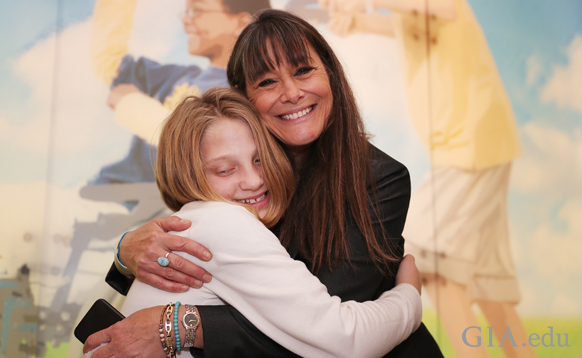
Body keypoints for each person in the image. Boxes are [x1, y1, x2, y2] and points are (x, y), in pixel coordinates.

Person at [86, 9, 444, 357]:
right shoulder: (235, 171)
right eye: (268, 81)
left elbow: (320, 333)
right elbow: (194, 262)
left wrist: (183, 325)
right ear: (244, 96)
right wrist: (124, 252)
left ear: (332, 75)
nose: (291, 92)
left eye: (303, 71)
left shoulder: (379, 177)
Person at [319, 0, 532, 357]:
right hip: (481, 144)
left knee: (434, 266)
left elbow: (442, 10)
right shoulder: (416, 18)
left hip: (471, 147)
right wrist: (357, 21)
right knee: (487, 283)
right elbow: (404, 26)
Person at [89, 0, 270, 187]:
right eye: (186, 12)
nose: (185, 20)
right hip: (106, 193)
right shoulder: (179, 76)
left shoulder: (249, 92)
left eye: (196, 11)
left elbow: (201, 148)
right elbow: (110, 62)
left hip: (148, 207)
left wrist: (131, 105)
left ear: (241, 23)